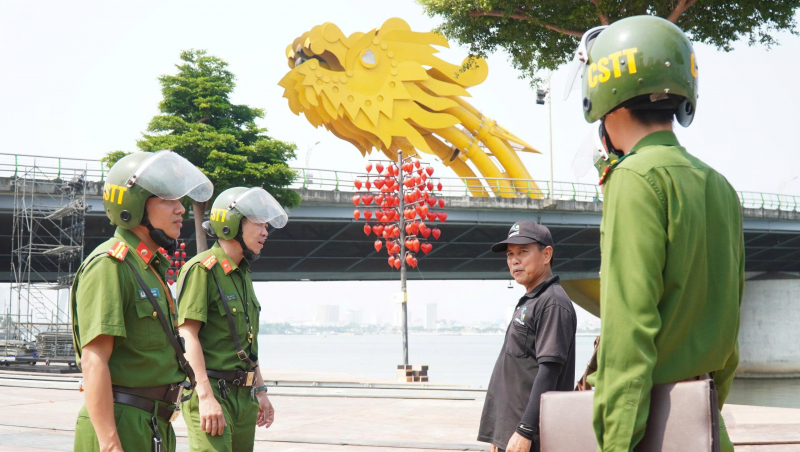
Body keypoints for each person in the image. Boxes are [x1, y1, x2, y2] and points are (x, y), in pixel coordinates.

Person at [568, 15, 744, 452]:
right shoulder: (720, 186)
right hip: (703, 428)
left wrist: (616, 441)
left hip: (650, 434)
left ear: (604, 93)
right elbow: (729, 330)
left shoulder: (633, 179)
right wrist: (700, 409)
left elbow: (629, 332)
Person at [71, 150, 213, 452]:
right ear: (133, 207)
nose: (180, 210)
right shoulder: (110, 265)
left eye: (180, 201)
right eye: (167, 200)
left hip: (152, 422)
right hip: (121, 423)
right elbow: (94, 360)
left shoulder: (149, 268)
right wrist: (110, 445)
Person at [177, 186, 287, 452]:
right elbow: (187, 333)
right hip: (213, 391)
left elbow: (246, 345)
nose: (265, 232)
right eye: (259, 223)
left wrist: (260, 391)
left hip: (243, 396)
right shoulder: (203, 270)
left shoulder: (242, 274)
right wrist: (204, 396)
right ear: (232, 225)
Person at [478, 221, 577, 452]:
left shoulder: (553, 302)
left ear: (546, 255)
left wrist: (524, 430)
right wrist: (499, 433)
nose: (514, 260)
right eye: (510, 254)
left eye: (523, 251)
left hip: (532, 439)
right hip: (511, 435)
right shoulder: (533, 299)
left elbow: (549, 370)